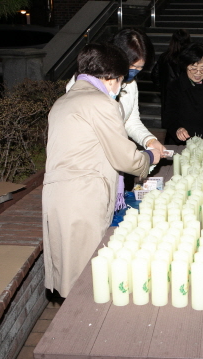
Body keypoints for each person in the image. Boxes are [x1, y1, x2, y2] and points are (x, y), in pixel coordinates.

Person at [43, 43, 161, 298]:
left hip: (58, 197)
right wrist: (151, 156)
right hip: (83, 197)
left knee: (69, 272)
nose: (120, 89)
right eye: (120, 81)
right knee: (87, 278)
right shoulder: (100, 102)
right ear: (111, 77)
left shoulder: (63, 101)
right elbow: (125, 158)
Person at [66, 28, 166, 157]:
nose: (133, 71)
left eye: (139, 68)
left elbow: (131, 121)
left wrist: (149, 140)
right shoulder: (84, 84)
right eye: (131, 66)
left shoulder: (131, 85)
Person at [163, 43, 203, 145]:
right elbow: (169, 114)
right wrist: (177, 128)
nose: (198, 73)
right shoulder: (175, 86)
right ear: (185, 66)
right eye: (193, 68)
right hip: (184, 140)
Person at [150, 29, 191, 127]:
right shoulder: (189, 58)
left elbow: (154, 74)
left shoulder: (165, 57)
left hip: (168, 94)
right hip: (186, 95)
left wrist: (162, 88)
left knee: (170, 124)